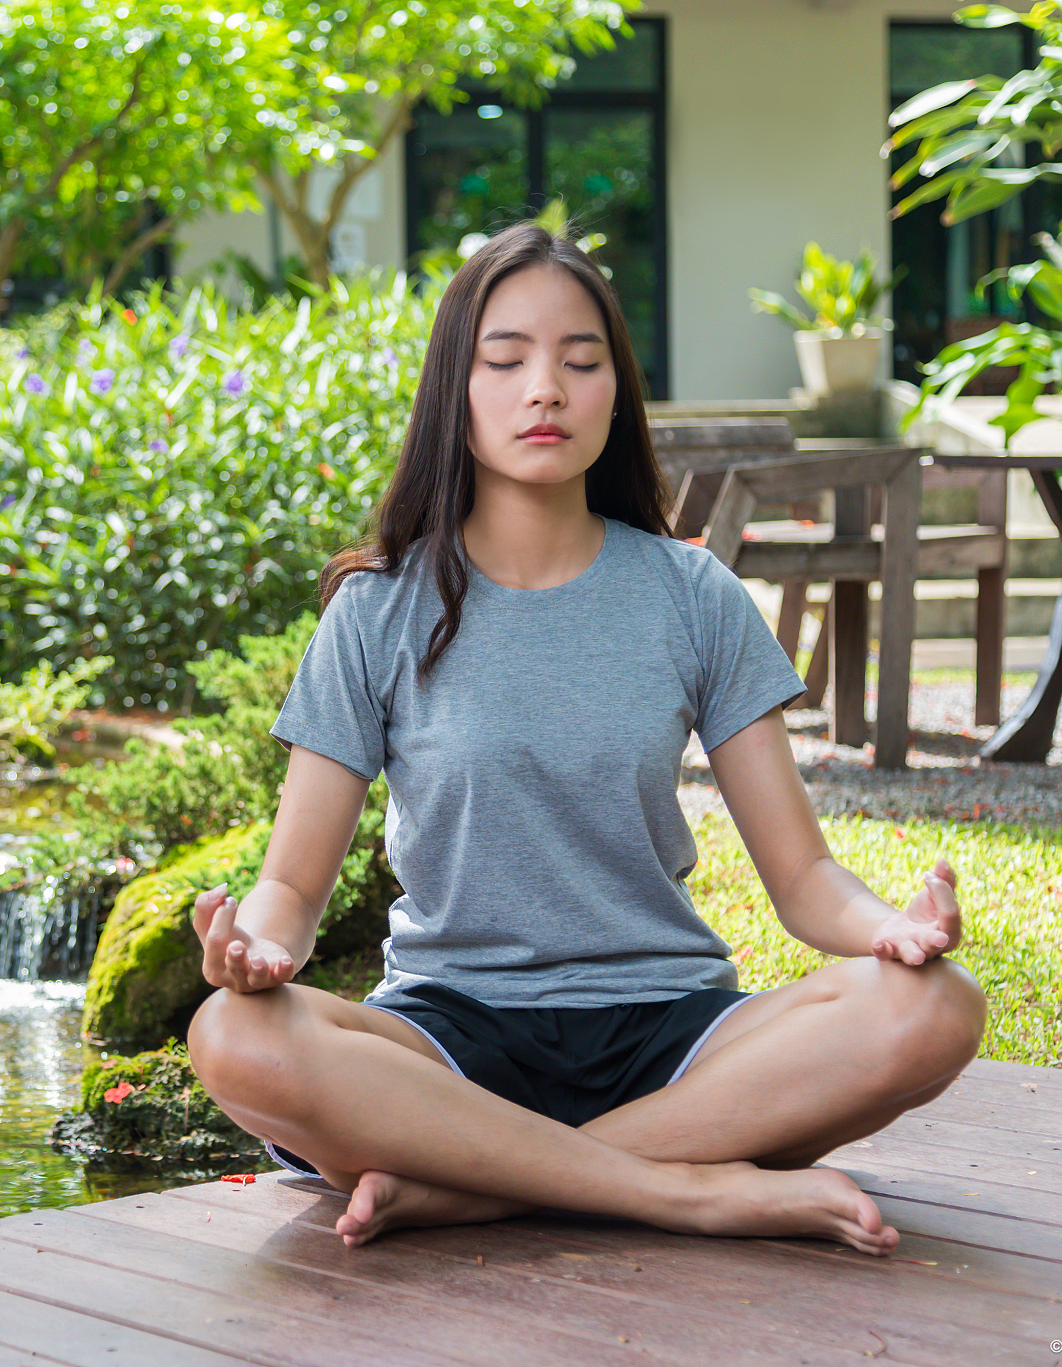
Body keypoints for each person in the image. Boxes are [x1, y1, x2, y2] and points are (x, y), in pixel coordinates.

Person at [185, 221, 987, 1256]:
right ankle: (686, 1189)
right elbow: (291, 885)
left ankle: (475, 1186)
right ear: (453, 391)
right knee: (231, 1033)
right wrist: (258, 946)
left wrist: (891, 928)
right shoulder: (377, 607)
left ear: (616, 390)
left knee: (933, 1006)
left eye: (579, 360)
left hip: (670, 1026)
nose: (544, 389)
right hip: (448, 1033)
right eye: (505, 359)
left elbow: (803, 878)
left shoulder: (690, 593)